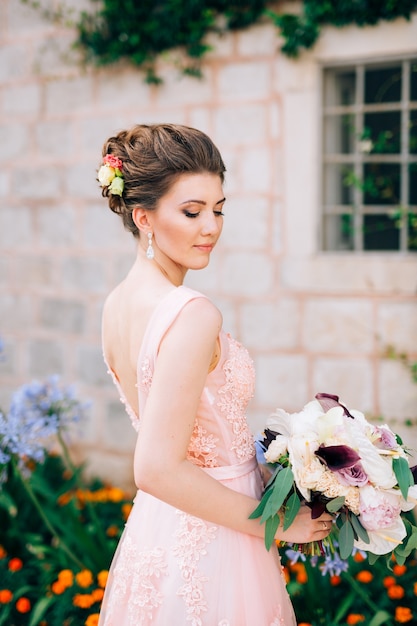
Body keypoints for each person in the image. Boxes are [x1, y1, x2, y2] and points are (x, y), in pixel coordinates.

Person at [98, 123, 332, 626]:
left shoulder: (116, 306)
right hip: (217, 547)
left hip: (159, 529)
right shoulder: (192, 312)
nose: (211, 227)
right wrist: (279, 523)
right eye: (192, 211)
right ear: (144, 217)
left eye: (219, 209)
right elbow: (157, 467)